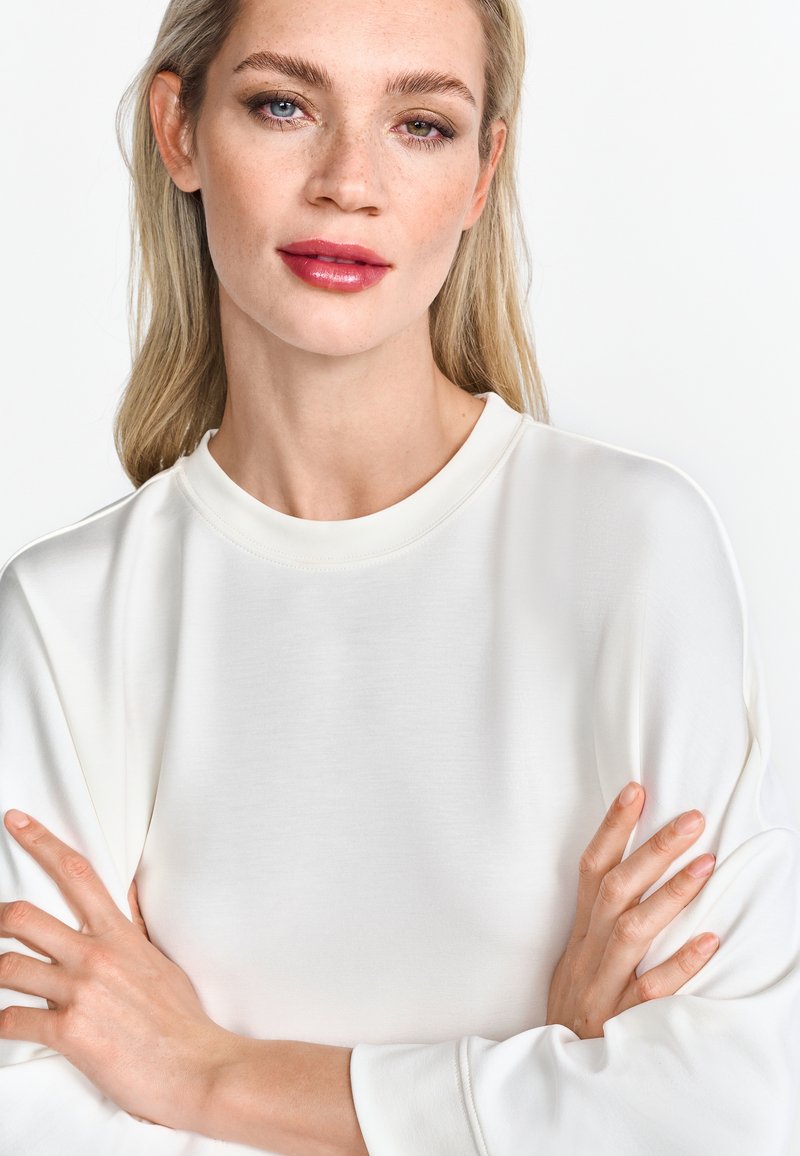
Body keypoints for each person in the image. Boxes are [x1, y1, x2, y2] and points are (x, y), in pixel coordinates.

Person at [1, 0, 799, 1152]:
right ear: (178, 131)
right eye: (283, 105)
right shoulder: (63, 619)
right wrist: (540, 1077)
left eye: (420, 124)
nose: (348, 183)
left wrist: (211, 1078)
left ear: (481, 173)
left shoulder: (628, 548)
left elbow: (727, 1108)